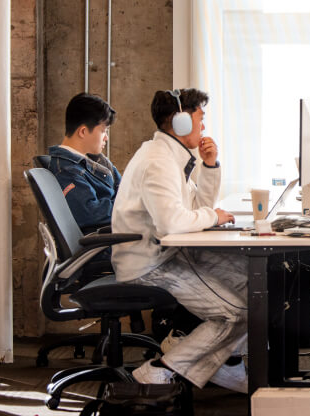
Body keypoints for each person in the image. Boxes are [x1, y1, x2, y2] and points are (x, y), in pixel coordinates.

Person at [111, 88, 248, 392]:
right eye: (200, 118)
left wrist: (209, 165)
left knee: (253, 280)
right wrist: (214, 217)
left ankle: (228, 363)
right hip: (149, 265)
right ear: (181, 122)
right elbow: (172, 223)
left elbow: (196, 208)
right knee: (235, 314)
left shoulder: (170, 156)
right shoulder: (158, 161)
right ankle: (160, 369)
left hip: (167, 253)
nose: (203, 126)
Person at [47, 92, 120, 233]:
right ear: (83, 132)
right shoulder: (66, 170)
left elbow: (125, 189)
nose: (106, 138)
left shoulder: (96, 161)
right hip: (108, 241)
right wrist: (131, 207)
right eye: (103, 131)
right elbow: (90, 214)